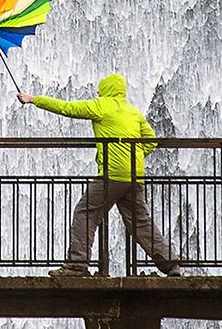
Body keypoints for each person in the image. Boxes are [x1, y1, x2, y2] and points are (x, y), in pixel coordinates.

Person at [19, 72, 182, 277]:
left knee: (85, 212)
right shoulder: (133, 111)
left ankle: (77, 264)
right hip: (135, 174)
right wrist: (136, 156)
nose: (97, 92)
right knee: (140, 222)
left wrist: (34, 99)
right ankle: (171, 264)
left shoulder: (101, 105)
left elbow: (67, 108)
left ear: (106, 90)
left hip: (113, 173)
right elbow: (150, 139)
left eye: (100, 89)